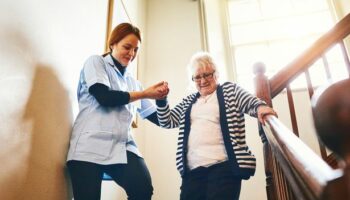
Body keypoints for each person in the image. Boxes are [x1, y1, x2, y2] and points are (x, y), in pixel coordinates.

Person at [66, 23, 168, 200]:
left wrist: (162, 98)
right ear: (113, 43)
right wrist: (145, 94)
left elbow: (160, 119)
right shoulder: (96, 62)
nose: (131, 54)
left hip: (122, 146)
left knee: (142, 188)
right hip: (89, 146)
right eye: (127, 47)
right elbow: (104, 97)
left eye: (135, 50)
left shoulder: (133, 82)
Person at [155, 52, 277, 200]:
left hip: (224, 167)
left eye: (207, 75)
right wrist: (161, 101)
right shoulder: (188, 101)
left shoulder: (229, 90)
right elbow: (167, 121)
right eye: (197, 77)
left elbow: (250, 102)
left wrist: (260, 108)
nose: (203, 80)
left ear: (216, 74)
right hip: (193, 171)